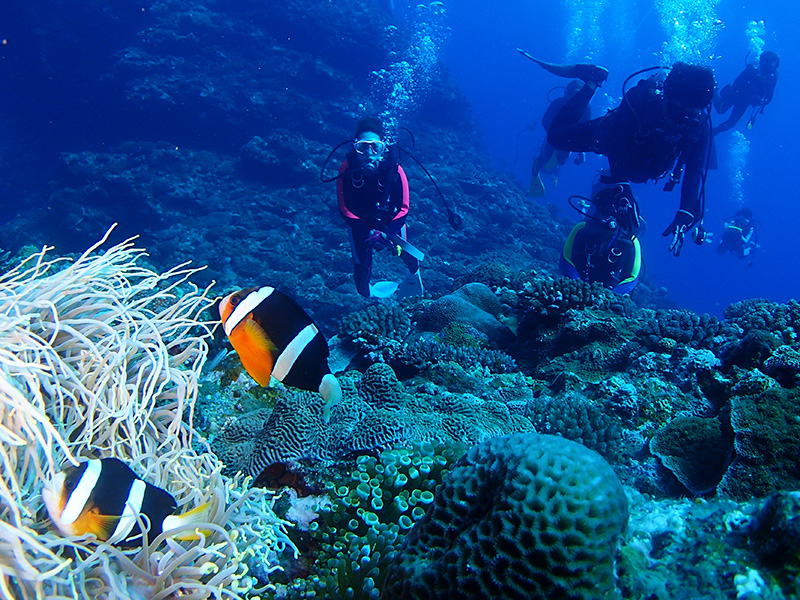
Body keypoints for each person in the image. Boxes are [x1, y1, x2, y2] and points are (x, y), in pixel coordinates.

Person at [532, 58, 715, 257]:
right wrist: (622, 188)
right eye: (678, 111)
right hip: (612, 137)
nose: (682, 121)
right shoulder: (640, 97)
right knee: (556, 137)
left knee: (636, 175)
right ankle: (592, 81)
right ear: (666, 97)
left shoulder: (699, 125)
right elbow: (617, 144)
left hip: (644, 165)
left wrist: (685, 212)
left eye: (691, 115)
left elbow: (694, 172)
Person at [337, 117, 423, 298]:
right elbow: (344, 209)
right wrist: (367, 232)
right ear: (355, 148)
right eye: (362, 147)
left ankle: (413, 274)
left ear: (383, 149)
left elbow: (404, 208)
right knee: (361, 284)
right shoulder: (346, 169)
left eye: (375, 147)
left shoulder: (395, 169)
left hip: (390, 224)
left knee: (406, 256)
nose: (369, 154)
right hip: (360, 226)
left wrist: (387, 233)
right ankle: (372, 293)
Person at [560, 176, 643, 294]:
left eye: (613, 213)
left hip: (611, 298)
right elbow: (565, 260)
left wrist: (612, 297)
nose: (608, 217)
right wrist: (577, 286)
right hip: (577, 290)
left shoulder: (631, 242)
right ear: (596, 212)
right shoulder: (581, 230)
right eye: (604, 211)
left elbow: (632, 278)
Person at [529, 80, 590, 197]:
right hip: (559, 138)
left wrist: (581, 151)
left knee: (559, 161)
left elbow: (586, 128)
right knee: (546, 157)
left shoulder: (585, 107)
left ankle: (551, 171)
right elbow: (545, 121)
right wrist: (554, 135)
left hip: (566, 140)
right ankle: (536, 173)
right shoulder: (562, 103)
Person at [713, 51, 779, 135]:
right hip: (736, 94)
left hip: (746, 101)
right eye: (767, 67)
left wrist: (758, 101)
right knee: (720, 110)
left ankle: (713, 132)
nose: (768, 71)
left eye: (771, 69)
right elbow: (737, 83)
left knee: (731, 123)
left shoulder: (772, 79)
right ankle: (713, 89)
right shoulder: (751, 70)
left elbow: (769, 98)